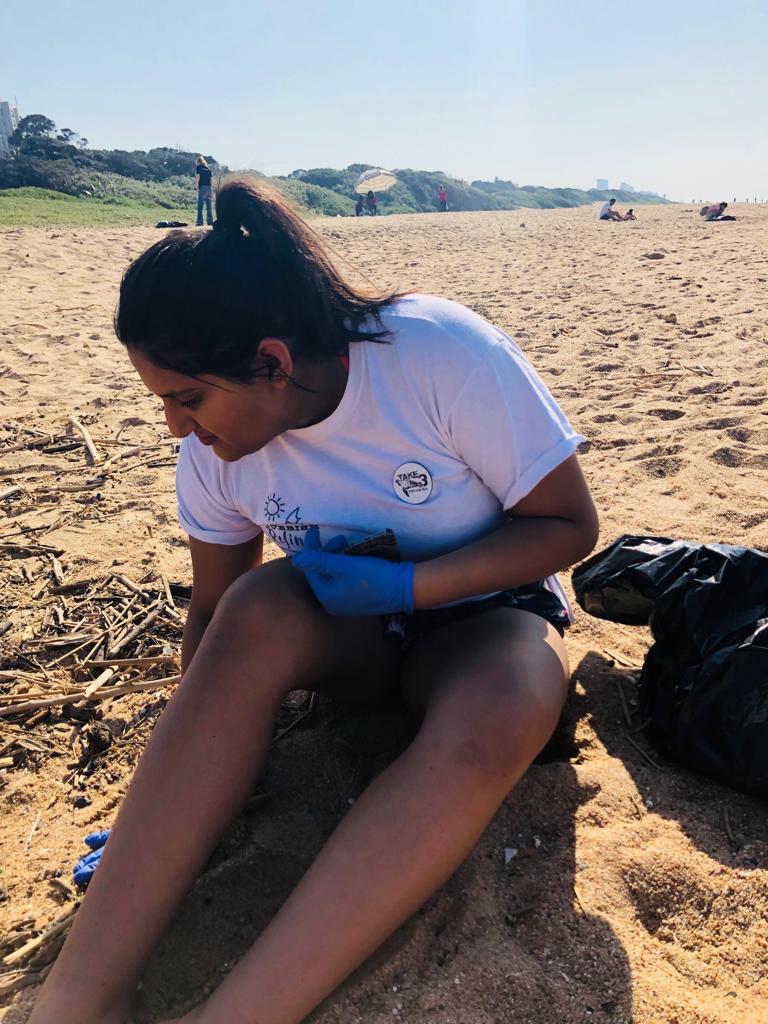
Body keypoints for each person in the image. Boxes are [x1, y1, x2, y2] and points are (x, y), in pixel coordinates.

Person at [30, 177, 598, 1024]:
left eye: (187, 397)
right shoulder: (216, 455)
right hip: (352, 644)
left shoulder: (435, 354)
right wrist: (188, 790)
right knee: (259, 604)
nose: (176, 429)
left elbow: (567, 526)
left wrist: (413, 583)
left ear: (273, 361)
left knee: (507, 706)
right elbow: (216, 623)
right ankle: (75, 1005)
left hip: (487, 619)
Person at [195, 155, 214, 227]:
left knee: (200, 206)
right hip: (209, 188)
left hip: (202, 188)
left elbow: (197, 177)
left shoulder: (198, 167)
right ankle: (210, 222)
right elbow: (211, 180)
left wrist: (196, 186)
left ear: (199, 162)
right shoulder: (208, 169)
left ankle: (200, 222)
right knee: (209, 207)